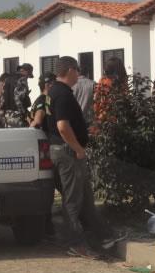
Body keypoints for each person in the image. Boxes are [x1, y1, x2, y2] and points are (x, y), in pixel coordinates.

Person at [45, 56, 126, 257]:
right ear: (70, 70)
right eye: (78, 70)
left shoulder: (52, 91)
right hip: (68, 152)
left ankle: (103, 235)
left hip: (62, 150)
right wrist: (78, 148)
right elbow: (62, 126)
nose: (79, 74)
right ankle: (74, 242)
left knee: (85, 198)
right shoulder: (62, 94)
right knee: (73, 200)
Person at [93, 57, 128, 126]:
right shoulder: (124, 81)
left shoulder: (103, 80)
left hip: (103, 117)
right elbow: (125, 97)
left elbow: (97, 99)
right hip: (120, 116)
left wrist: (97, 116)